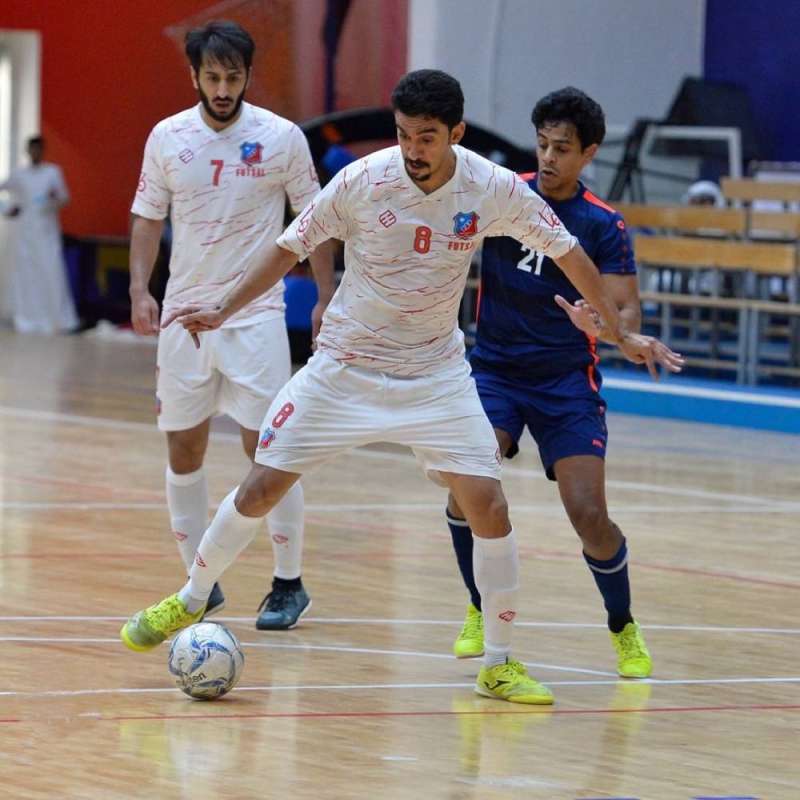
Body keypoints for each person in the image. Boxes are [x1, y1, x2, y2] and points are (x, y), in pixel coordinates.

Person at [121, 69, 681, 705]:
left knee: (489, 506)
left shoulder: (492, 187)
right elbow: (287, 247)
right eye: (404, 134)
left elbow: (569, 253)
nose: (413, 149)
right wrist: (224, 307)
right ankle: (192, 596)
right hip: (344, 368)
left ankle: (498, 664)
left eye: (427, 137)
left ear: (457, 133)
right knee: (262, 486)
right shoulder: (363, 180)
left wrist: (618, 331)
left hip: (435, 377)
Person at [448, 87, 684, 678]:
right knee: (466, 488)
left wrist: (599, 324)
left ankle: (622, 624)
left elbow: (626, 314)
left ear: (589, 154)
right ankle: (479, 606)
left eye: (562, 148)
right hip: (495, 372)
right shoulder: (505, 195)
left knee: (587, 513)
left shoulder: (603, 223)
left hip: (565, 382)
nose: (549, 157)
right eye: (543, 144)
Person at [128, 21, 335, 630]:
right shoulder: (167, 137)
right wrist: (140, 289)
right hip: (183, 318)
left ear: (248, 75)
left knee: (268, 450)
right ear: (194, 75)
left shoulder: (281, 137)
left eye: (233, 77)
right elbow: (147, 217)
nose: (223, 89)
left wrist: (326, 295)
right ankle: (199, 584)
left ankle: (289, 583)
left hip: (256, 317)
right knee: (183, 449)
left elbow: (315, 217)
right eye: (213, 77)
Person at [0, 136, 79, 334]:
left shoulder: (52, 172)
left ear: (43, 151)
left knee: (50, 271)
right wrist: (7, 208)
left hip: (47, 232)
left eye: (38, 149)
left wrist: (54, 198)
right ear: (27, 150)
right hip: (25, 234)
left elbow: (64, 198)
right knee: (26, 274)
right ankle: (25, 316)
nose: (35, 153)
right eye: (32, 149)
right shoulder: (19, 174)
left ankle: (54, 317)